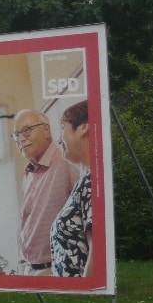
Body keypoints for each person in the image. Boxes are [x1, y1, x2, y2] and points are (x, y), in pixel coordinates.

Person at [12, 109, 80, 276]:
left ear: (46, 130)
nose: (21, 138)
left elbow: (88, 213)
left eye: (27, 130)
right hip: (30, 269)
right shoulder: (29, 173)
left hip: (57, 269)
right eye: (16, 135)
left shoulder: (66, 161)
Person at [51, 100, 93, 277]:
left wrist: (86, 298)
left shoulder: (92, 183)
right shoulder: (83, 181)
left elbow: (98, 252)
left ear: (83, 128)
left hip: (81, 299)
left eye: (63, 127)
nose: (59, 138)